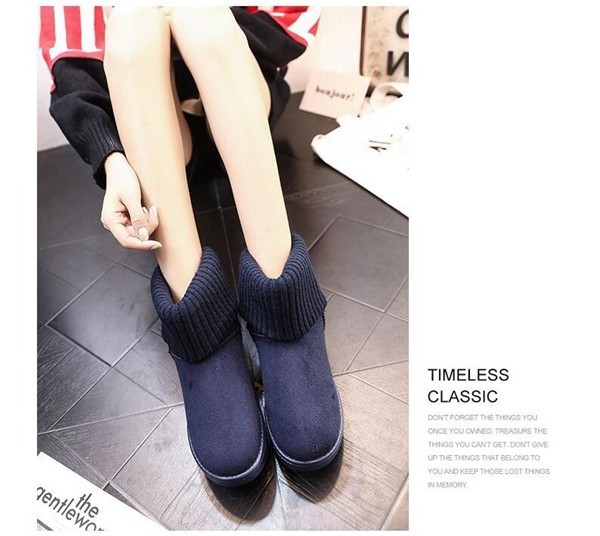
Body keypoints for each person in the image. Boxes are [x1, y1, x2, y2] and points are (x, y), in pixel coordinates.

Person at [40, 5, 343, 487]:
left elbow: (289, 20)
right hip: (152, 134)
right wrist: (111, 158)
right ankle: (199, 322)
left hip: (236, 97)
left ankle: (282, 294)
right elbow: (72, 56)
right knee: (133, 21)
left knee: (200, 14)